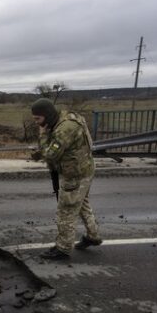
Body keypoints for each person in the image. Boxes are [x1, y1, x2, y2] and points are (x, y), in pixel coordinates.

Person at [30, 98, 102, 260]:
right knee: (82, 204)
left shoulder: (64, 129)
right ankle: (93, 235)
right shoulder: (67, 117)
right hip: (85, 169)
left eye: (38, 119)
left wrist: (42, 136)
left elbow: (50, 154)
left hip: (75, 175)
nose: (36, 123)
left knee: (66, 211)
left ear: (47, 115)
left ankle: (63, 248)